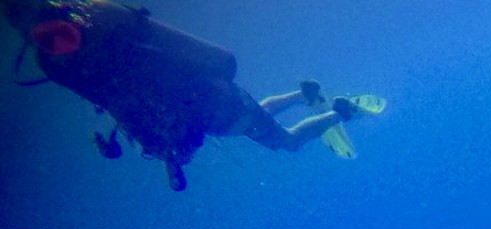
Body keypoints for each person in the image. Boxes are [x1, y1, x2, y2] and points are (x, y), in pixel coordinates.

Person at [4, 0, 378, 190]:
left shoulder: (67, 57)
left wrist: (166, 152)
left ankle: (341, 112)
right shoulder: (97, 17)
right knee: (256, 115)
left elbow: (116, 103)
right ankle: (301, 94)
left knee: (287, 142)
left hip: (213, 112)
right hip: (215, 94)